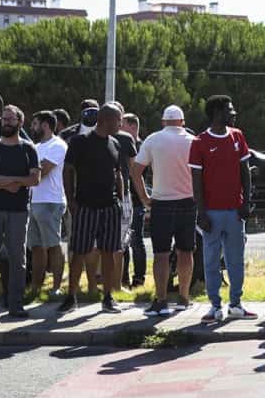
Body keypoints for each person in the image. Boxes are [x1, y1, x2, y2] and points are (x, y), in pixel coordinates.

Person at [189, 95, 256, 322]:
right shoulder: (199, 142)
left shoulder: (238, 136)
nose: (234, 113)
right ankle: (215, 307)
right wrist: (201, 213)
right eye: (230, 110)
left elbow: (245, 172)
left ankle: (236, 304)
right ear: (217, 113)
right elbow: (196, 181)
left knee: (236, 261)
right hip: (211, 213)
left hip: (235, 212)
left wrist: (246, 203)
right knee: (210, 262)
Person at [58, 104, 126, 314]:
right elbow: (68, 170)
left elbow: (118, 173)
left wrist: (121, 199)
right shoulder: (80, 142)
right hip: (85, 206)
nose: (121, 124)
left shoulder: (115, 143)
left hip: (110, 207)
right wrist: (71, 199)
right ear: (105, 120)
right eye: (118, 120)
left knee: (109, 252)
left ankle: (107, 297)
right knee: (79, 251)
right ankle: (71, 297)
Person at [0, 105, 40, 319]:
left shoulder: (28, 149)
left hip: (18, 211)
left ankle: (16, 305)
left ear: (20, 122)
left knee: (18, 259)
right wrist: (0, 184)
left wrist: (13, 181)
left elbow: (35, 179)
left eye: (11, 119)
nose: (6, 122)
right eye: (4, 119)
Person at [132, 105, 197, 316]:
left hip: (161, 203)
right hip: (187, 201)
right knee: (185, 252)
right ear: (183, 122)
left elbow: (136, 171)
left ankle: (161, 300)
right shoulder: (193, 141)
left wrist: (144, 198)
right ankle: (184, 298)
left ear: (163, 122)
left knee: (161, 254)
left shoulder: (153, 140)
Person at [25, 111, 68, 297]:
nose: (32, 127)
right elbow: (32, 172)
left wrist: (25, 174)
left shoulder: (58, 145)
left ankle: (56, 287)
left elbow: (43, 171)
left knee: (53, 245)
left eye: (35, 124)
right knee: (36, 246)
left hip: (51, 202)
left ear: (45, 125)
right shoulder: (35, 147)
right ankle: (36, 286)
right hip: (34, 201)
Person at [118, 111, 147, 288]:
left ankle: (139, 278)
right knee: (123, 242)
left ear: (133, 126)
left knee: (136, 241)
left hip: (136, 201)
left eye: (122, 124)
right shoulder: (122, 143)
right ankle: (123, 278)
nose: (119, 127)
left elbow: (138, 174)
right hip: (125, 199)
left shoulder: (143, 147)